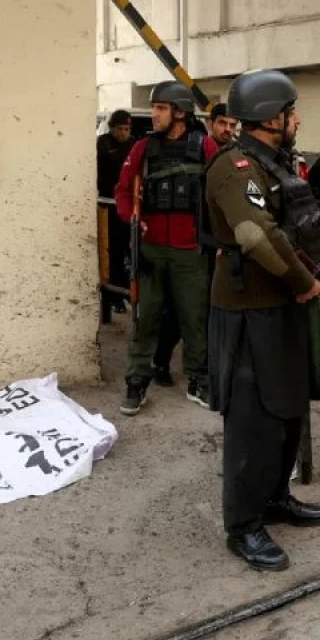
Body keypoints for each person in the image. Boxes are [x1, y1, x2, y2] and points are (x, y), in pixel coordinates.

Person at [204, 68, 320, 571]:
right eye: (292, 110)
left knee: (288, 410)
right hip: (249, 310)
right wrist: (306, 285)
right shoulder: (234, 168)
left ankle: (274, 497)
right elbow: (257, 236)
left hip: (285, 312)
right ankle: (243, 525)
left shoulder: (281, 166)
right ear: (272, 117)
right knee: (253, 422)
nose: (298, 118)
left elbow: (312, 243)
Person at [113, 82, 219, 415]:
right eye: (154, 107)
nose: (154, 114)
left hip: (191, 251)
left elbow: (221, 195)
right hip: (151, 251)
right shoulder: (142, 148)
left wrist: (219, 241)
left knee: (194, 319)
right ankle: (137, 380)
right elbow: (123, 192)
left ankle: (198, 378)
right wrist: (133, 219)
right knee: (145, 319)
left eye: (160, 108)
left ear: (180, 112)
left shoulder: (206, 147)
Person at [151, 102, 240, 385]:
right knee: (180, 310)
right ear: (212, 123)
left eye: (232, 125)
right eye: (223, 124)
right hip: (190, 242)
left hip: (215, 243)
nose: (228, 130)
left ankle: (205, 367)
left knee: (210, 310)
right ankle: (160, 361)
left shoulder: (231, 153)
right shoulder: (200, 148)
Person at [97, 110, 135, 313]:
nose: (123, 133)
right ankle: (113, 296)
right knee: (112, 253)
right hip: (107, 207)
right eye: (120, 129)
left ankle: (123, 292)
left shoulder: (133, 146)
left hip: (126, 207)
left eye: (127, 129)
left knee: (129, 252)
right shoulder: (103, 144)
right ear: (112, 128)